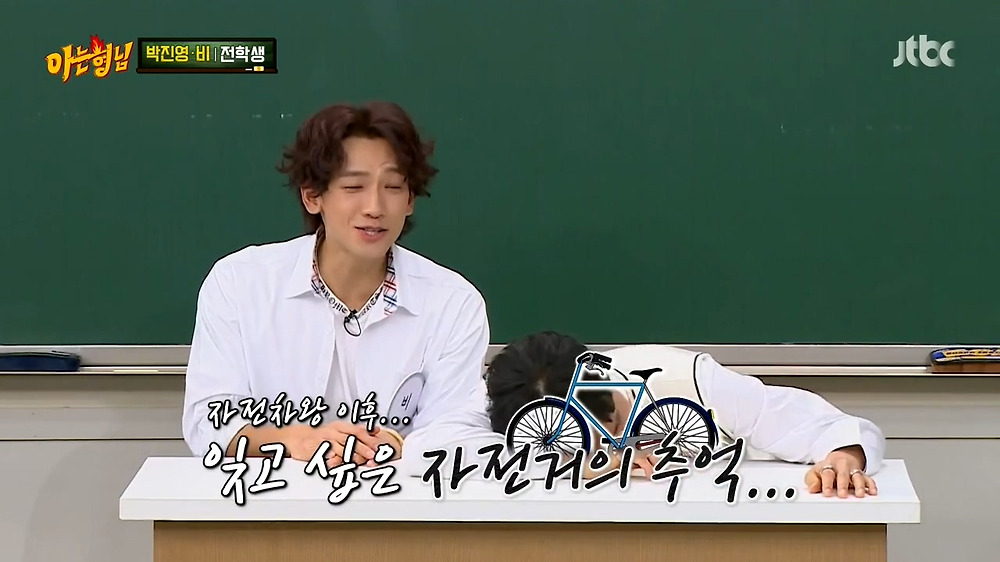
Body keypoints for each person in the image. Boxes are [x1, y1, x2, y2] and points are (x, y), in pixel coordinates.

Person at [181, 101, 491, 474]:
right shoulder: (239, 284)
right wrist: (293, 441)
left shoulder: (454, 303)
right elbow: (208, 422)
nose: (375, 207)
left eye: (393, 186)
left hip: (400, 502)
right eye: (354, 186)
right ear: (313, 196)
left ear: (410, 199)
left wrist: (395, 445)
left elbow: (458, 428)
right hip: (270, 501)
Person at [484, 331, 885, 499]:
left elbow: (832, 428)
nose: (611, 442)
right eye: (583, 441)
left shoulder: (694, 381)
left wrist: (843, 455)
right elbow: (472, 456)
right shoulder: (519, 412)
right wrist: (588, 465)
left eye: (616, 423)